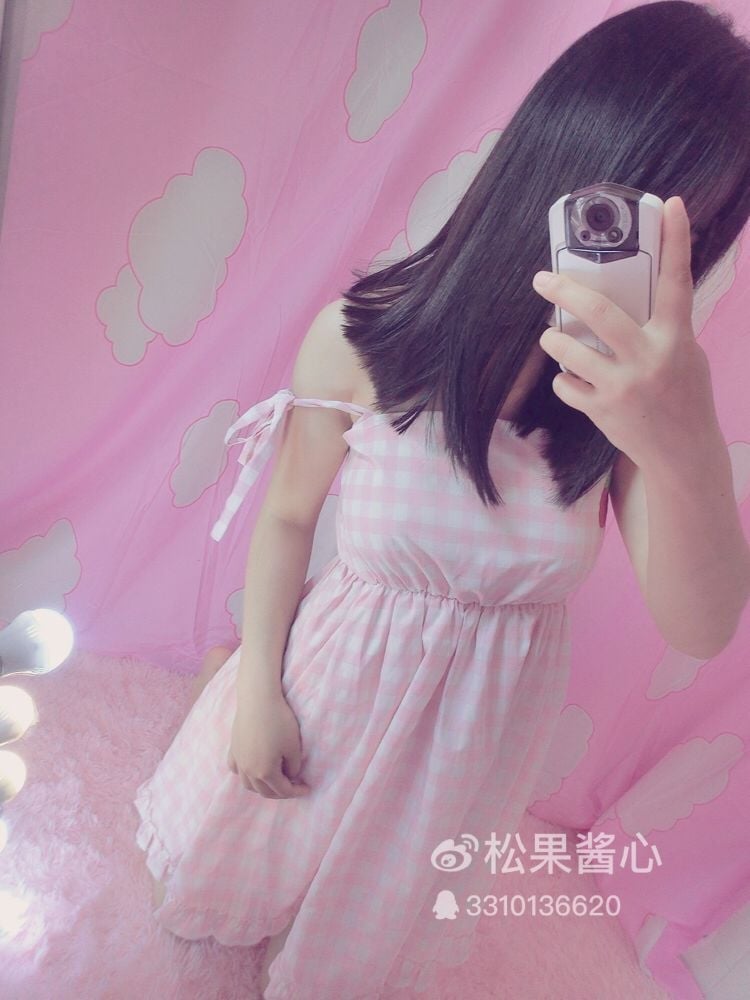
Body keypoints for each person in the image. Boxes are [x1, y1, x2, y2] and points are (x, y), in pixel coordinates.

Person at [133, 3, 750, 997]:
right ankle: (221, 688)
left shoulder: (617, 416)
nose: (642, 259)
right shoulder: (362, 338)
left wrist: (685, 440)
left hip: (461, 759)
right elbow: (287, 515)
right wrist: (256, 697)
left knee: (346, 957)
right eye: (631, 217)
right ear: (559, 165)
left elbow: (702, 623)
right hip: (325, 698)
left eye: (699, 227)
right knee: (216, 890)